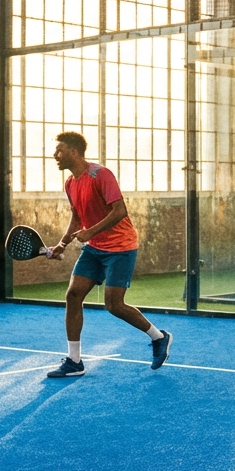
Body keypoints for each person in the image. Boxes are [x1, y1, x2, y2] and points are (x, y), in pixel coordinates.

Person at [44, 131, 171, 377]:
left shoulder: (100, 175)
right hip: (94, 249)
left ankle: (158, 337)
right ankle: (74, 361)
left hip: (121, 246)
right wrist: (63, 243)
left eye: (59, 150)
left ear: (73, 152)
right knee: (73, 295)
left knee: (114, 304)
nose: (55, 155)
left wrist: (90, 231)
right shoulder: (70, 183)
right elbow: (78, 216)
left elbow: (120, 210)